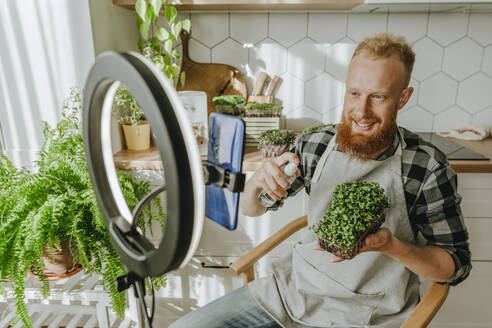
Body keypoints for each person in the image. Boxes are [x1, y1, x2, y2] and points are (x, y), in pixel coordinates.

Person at [170, 33, 471, 328]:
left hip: (369, 314)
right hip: (288, 295)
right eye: (354, 93)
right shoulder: (315, 145)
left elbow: (454, 265)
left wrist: (391, 246)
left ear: (403, 98)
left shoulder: (425, 166)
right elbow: (253, 209)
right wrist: (258, 183)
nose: (361, 111)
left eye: (378, 96)